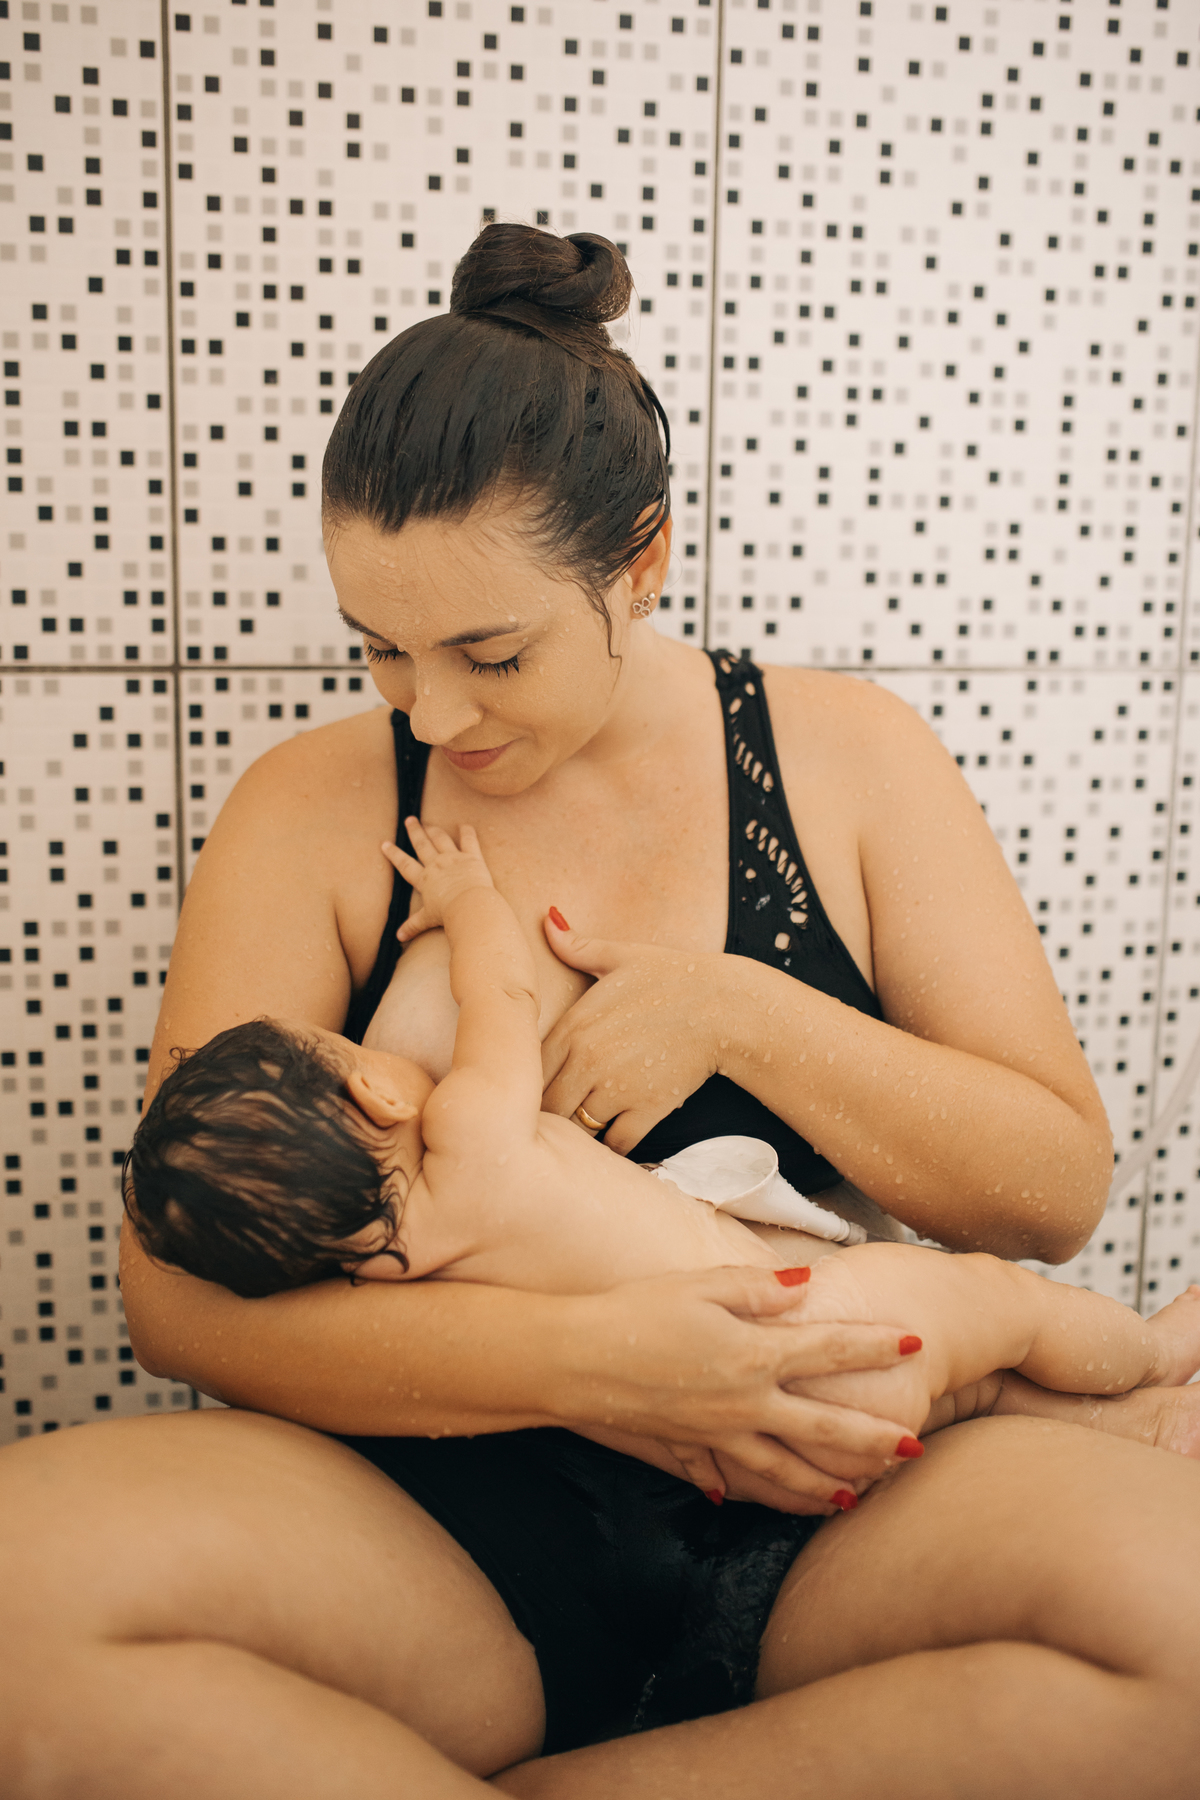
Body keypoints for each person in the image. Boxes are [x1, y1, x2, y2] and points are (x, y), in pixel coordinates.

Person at [3, 223, 1200, 1796]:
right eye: (380, 651)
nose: (433, 710)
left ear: (641, 562)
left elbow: (1052, 1194)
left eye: (491, 653)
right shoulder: (309, 810)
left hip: (835, 1504)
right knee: (20, 1603)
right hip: (437, 1524)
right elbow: (176, 1302)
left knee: (1182, 1629)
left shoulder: (847, 761)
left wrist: (743, 1017)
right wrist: (598, 1366)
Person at [121, 815, 1200, 1509]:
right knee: (1009, 1310)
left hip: (737, 1451)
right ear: (378, 1090)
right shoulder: (472, 1138)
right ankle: (1151, 1356)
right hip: (820, 1323)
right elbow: (498, 993)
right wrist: (466, 901)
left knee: (979, 1393)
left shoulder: (380, 1272)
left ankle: (1145, 1427)